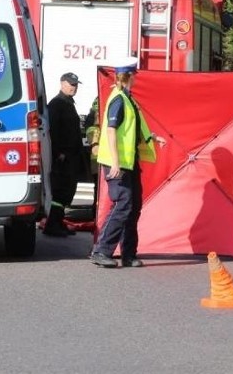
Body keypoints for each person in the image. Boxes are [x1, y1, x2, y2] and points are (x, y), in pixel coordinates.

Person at [90, 58, 165, 268]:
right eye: (135, 74)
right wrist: (115, 162)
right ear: (130, 76)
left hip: (129, 162)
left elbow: (132, 129)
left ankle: (129, 254)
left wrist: (151, 137)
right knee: (123, 204)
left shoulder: (128, 99)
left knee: (133, 207)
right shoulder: (119, 100)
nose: (136, 78)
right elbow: (112, 131)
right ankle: (101, 250)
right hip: (119, 163)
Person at [43, 72, 85, 237]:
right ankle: (52, 224)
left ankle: (58, 222)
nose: (73, 87)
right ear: (62, 83)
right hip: (61, 158)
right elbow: (51, 131)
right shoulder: (56, 104)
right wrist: (58, 153)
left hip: (71, 156)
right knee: (59, 191)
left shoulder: (68, 103)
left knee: (68, 191)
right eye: (70, 84)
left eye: (75, 85)